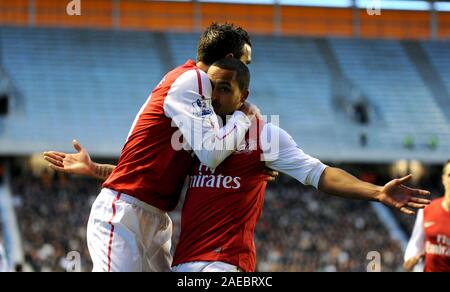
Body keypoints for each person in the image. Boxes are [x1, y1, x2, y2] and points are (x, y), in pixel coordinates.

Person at [47, 59, 431, 272]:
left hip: (226, 266)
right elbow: (153, 181)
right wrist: (97, 169)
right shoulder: (193, 138)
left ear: (244, 95)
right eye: (211, 85)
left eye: (225, 88)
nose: (214, 95)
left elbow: (319, 173)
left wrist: (376, 191)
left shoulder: (265, 136)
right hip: (181, 265)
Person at [44, 23, 261, 272]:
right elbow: (212, 154)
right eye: (246, 63)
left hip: (153, 219)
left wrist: (96, 169)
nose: (247, 71)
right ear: (230, 60)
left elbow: (147, 165)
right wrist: (246, 116)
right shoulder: (195, 79)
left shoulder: (198, 93)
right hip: (124, 216)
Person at [404, 160, 450, 272]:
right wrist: (410, 260)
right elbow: (415, 244)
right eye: (449, 175)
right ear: (443, 179)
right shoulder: (427, 209)